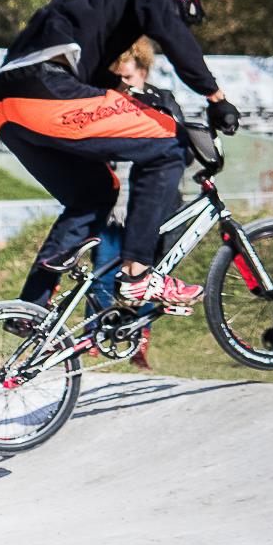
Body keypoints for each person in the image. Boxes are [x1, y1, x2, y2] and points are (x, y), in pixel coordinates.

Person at [0, 0, 244, 316]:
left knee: (96, 193)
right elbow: (173, 37)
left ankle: (30, 308)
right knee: (167, 142)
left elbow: (85, 68)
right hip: (44, 89)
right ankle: (140, 273)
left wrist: (128, 96)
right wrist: (216, 97)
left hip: (8, 103)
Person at [87, 39, 186, 370]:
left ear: (142, 71)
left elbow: (179, 146)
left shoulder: (164, 101)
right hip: (115, 210)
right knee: (104, 273)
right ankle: (95, 336)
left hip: (154, 208)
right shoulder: (110, 102)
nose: (122, 84)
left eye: (127, 78)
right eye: (118, 78)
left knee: (147, 276)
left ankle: (138, 338)